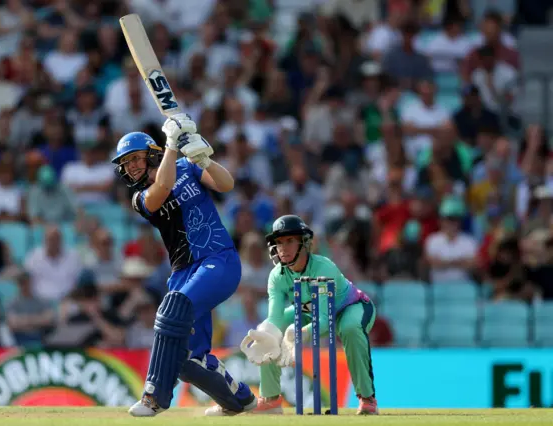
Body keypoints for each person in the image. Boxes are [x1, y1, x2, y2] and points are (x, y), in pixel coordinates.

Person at [112, 113, 256, 417]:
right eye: (126, 163)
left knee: (172, 308)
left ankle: (154, 398)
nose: (132, 166)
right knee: (189, 362)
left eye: (135, 158)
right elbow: (162, 188)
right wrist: (173, 144)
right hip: (184, 273)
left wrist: (203, 158)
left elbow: (226, 184)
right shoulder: (139, 198)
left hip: (218, 260)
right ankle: (240, 400)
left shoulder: (186, 167)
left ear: (151, 154)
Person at [239, 215, 379, 415]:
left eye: (289, 241)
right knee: (266, 333)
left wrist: (296, 334)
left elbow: (324, 319)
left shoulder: (323, 267)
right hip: (308, 312)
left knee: (349, 329)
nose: (283, 248)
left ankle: (367, 399)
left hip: (351, 307)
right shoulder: (276, 276)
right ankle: (270, 399)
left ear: (304, 243)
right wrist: (269, 334)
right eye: (279, 242)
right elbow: (275, 317)